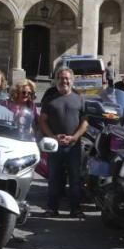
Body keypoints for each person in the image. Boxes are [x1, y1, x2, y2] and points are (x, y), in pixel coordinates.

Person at [39, 67, 88, 218]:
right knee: (54, 178)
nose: (64, 81)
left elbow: (85, 122)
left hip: (73, 146)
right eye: (61, 78)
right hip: (55, 146)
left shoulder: (79, 98)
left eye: (67, 78)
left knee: (75, 178)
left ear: (72, 81)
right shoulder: (49, 98)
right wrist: (53, 137)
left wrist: (74, 137)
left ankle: (75, 209)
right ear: (56, 80)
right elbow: (42, 121)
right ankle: (52, 208)